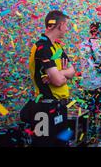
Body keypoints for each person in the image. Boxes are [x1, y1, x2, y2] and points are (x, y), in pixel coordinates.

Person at [27, 10, 75, 146]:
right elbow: (58, 81)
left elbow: (72, 71)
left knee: (62, 143)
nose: (67, 29)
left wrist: (59, 73)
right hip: (45, 108)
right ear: (60, 25)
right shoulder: (42, 47)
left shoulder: (57, 46)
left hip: (60, 106)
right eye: (66, 25)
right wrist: (61, 75)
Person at [79, 22, 101, 147]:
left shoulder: (83, 45)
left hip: (88, 84)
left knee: (90, 111)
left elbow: (83, 64)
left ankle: (90, 136)